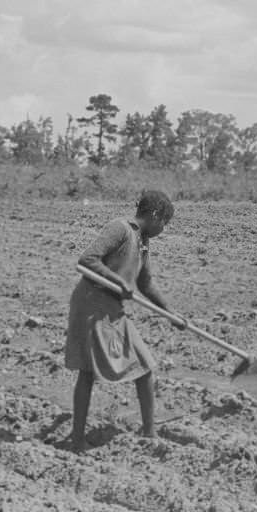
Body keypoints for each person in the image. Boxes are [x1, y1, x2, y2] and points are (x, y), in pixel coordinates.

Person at [63, 190, 185, 452]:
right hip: (91, 303)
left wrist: (170, 312)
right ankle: (76, 441)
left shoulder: (142, 241)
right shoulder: (120, 228)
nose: (163, 229)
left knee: (144, 366)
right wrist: (118, 281)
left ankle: (149, 433)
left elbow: (145, 283)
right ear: (154, 215)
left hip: (112, 308)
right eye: (164, 222)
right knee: (87, 372)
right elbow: (87, 259)